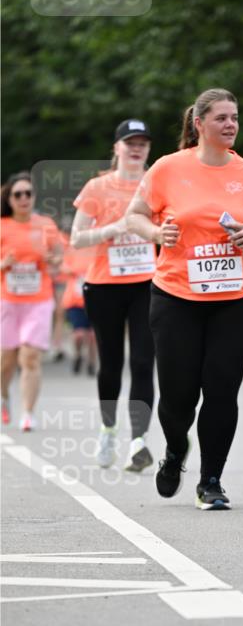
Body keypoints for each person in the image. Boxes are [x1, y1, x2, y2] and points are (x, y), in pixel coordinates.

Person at [126, 88, 243, 510]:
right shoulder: (168, 169)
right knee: (177, 396)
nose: (231, 125)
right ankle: (174, 451)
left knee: (222, 391)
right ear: (199, 124)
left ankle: (211, 481)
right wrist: (156, 233)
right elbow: (134, 215)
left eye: (235, 117)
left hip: (239, 297)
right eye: (222, 118)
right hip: (176, 296)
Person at [71, 119, 156, 471]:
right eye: (129, 142)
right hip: (104, 285)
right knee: (111, 363)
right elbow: (76, 238)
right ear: (116, 148)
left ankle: (138, 441)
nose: (136, 148)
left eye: (142, 143)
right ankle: (108, 429)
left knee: (142, 361)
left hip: (147, 283)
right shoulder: (97, 187)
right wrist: (116, 228)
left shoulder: (157, 185)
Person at [1, 172, 64, 430]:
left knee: (30, 356)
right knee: (7, 357)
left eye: (29, 193)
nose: (24, 198)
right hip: (8, 300)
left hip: (38, 300)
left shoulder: (46, 224)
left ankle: (28, 412)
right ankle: (4, 397)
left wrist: (53, 261)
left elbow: (59, 256)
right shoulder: (2, 225)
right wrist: (3, 264)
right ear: (10, 199)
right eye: (18, 194)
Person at [60, 240, 97, 375]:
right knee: (79, 335)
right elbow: (62, 266)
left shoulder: (99, 246)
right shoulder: (73, 248)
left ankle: (92, 363)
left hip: (95, 299)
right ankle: (77, 355)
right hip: (75, 300)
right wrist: (72, 271)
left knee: (93, 335)